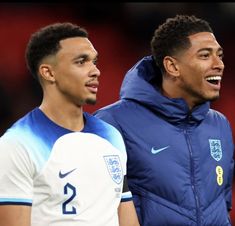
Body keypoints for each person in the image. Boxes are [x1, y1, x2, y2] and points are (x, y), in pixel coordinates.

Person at [94, 15, 234, 225]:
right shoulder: (112, 122)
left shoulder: (219, 124)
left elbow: (223, 202)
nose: (219, 64)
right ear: (172, 67)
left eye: (219, 55)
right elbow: (96, 207)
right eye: (205, 55)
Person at [0, 22, 140, 226]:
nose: (95, 71)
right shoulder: (18, 144)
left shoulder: (110, 136)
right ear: (48, 73)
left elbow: (126, 217)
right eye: (81, 62)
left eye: (95, 62)